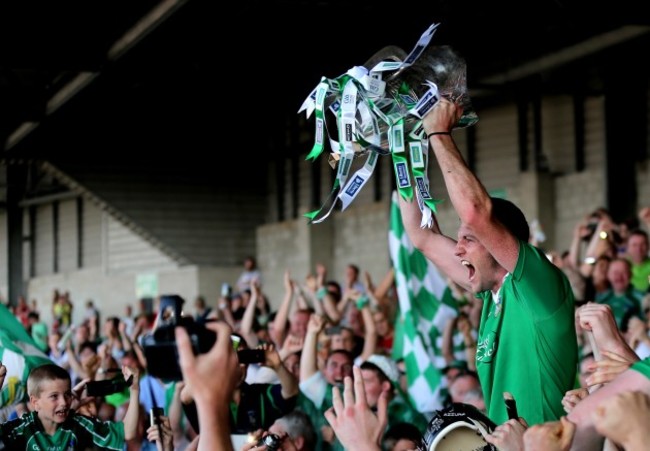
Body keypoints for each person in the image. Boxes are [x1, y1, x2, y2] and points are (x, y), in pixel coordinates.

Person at [398, 98, 577, 425]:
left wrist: (439, 133)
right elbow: (422, 238)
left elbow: (475, 213)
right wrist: (397, 147)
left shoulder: (538, 286)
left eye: (469, 239)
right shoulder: (491, 294)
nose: (457, 249)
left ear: (500, 241)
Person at [0, 362, 141, 449]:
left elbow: (127, 433)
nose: (64, 402)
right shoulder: (23, 429)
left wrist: (134, 389)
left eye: (67, 394)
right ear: (35, 402)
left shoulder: (79, 424)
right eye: (54, 396)